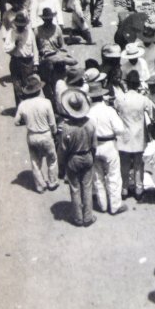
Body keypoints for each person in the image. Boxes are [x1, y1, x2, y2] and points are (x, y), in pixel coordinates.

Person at [58, 88, 97, 227]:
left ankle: (78, 218)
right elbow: (94, 145)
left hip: (72, 160)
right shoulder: (90, 124)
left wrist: (61, 166)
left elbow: (62, 150)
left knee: (75, 188)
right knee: (87, 186)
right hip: (87, 156)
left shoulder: (66, 128)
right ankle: (88, 217)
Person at [13, 74, 59, 193]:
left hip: (32, 135)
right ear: (39, 90)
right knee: (52, 159)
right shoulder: (46, 102)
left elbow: (16, 122)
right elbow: (52, 123)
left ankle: (40, 185)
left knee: (35, 162)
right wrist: (54, 133)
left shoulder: (23, 105)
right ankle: (53, 182)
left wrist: (27, 121)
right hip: (45, 134)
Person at [87, 81, 127, 216]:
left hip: (94, 146)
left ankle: (102, 204)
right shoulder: (109, 111)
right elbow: (120, 129)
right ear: (102, 96)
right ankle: (115, 206)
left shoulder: (88, 113)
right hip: (109, 145)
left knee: (97, 177)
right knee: (114, 175)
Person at [115, 70, 155, 201]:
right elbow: (152, 114)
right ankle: (139, 188)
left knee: (124, 164)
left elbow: (116, 111)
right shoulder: (143, 99)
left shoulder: (120, 98)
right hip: (139, 136)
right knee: (139, 164)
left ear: (127, 84)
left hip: (124, 136)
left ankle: (124, 189)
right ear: (138, 84)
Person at [4, 10, 39, 106]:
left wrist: (36, 63)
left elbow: (35, 48)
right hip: (16, 61)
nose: (21, 27)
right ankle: (20, 109)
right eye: (19, 25)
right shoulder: (11, 33)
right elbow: (6, 49)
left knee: (29, 86)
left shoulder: (29, 32)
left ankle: (29, 109)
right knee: (17, 87)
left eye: (22, 25)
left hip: (28, 63)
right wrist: (15, 44)